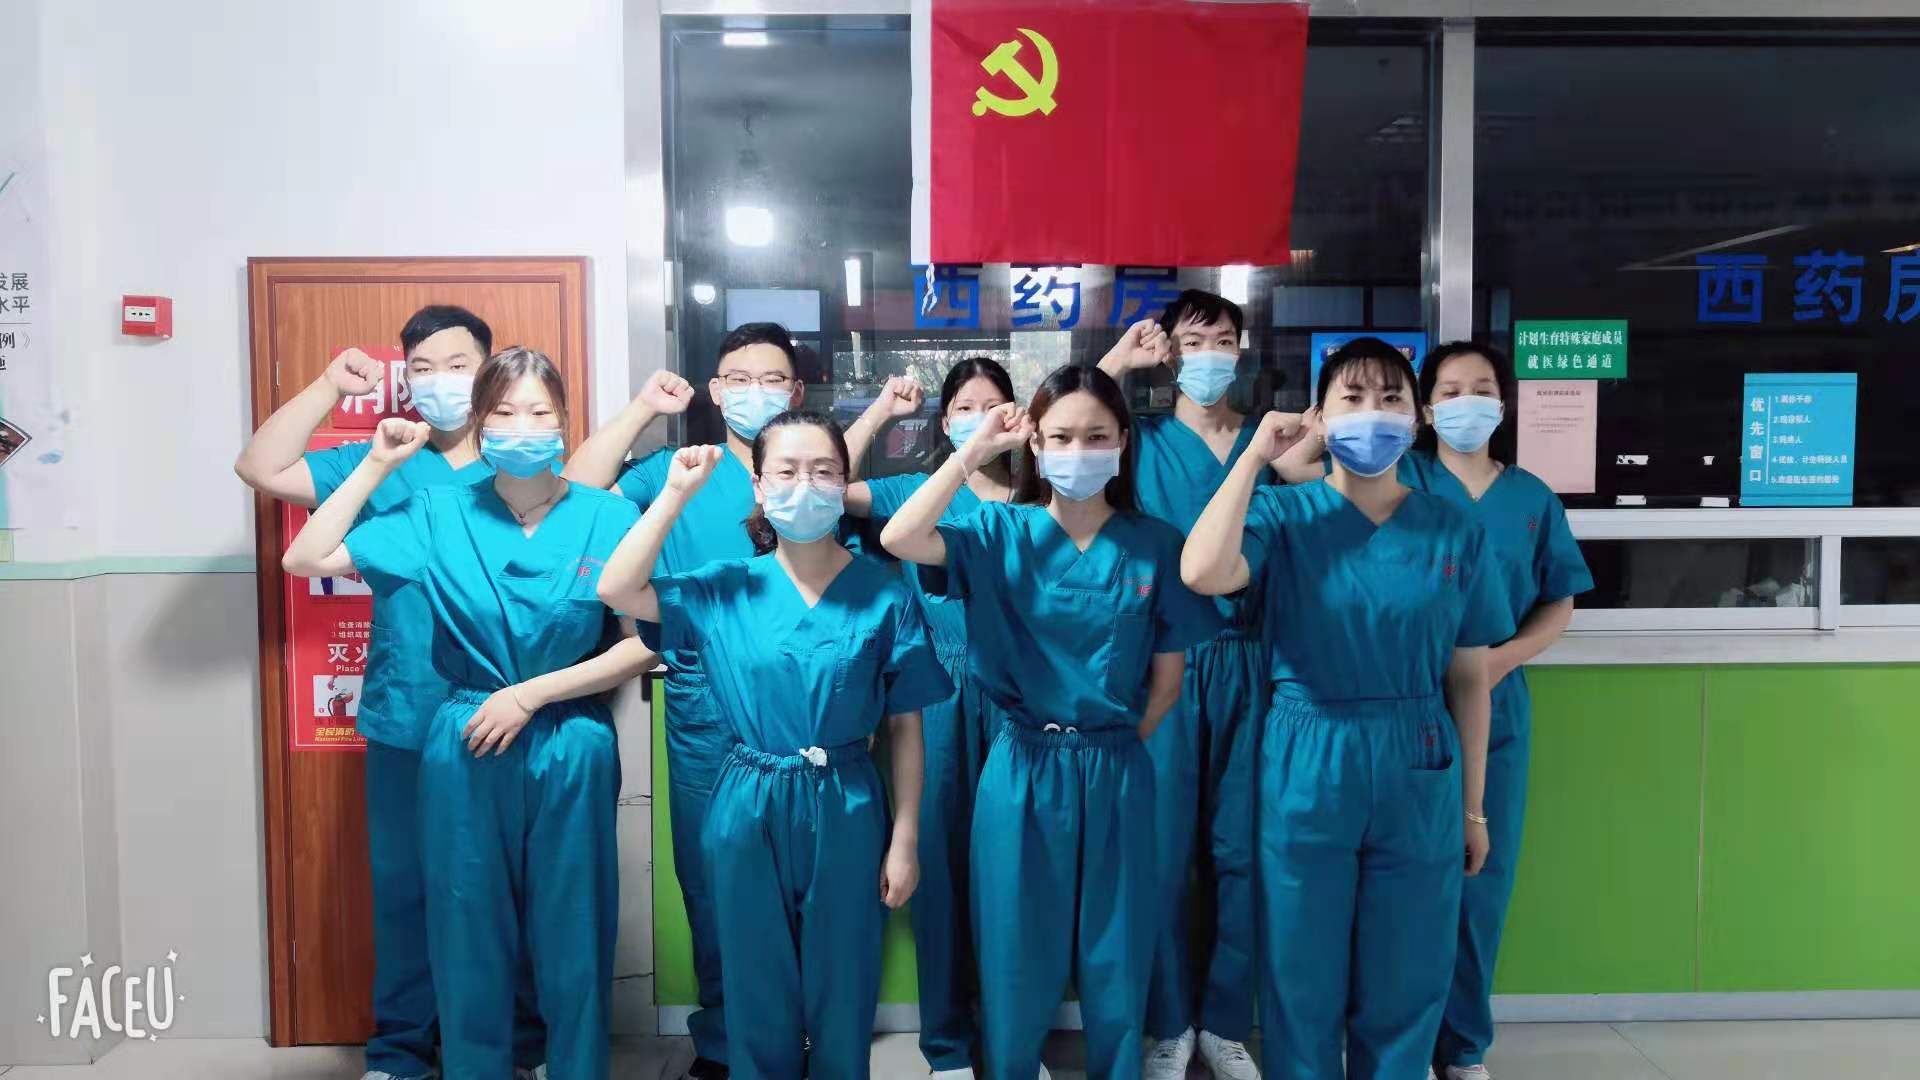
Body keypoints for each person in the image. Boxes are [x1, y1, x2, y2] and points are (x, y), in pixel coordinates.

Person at [282, 347, 655, 1079]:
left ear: (564, 420)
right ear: (481, 424)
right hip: (466, 739)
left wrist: (532, 694)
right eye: (504, 412)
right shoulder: (438, 510)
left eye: (539, 411)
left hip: (569, 738)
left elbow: (647, 642)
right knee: (466, 926)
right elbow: (306, 557)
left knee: (574, 928)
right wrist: (376, 465)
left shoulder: (609, 515)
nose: (524, 426)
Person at [562, 322, 902, 1080]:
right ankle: (730, 1041)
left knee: (828, 899)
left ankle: (818, 1042)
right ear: (715, 392)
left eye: (773, 378)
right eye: (739, 379)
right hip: (705, 704)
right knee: (719, 889)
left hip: (811, 711)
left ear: (798, 390)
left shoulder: (816, 491)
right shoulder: (682, 469)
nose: (757, 391)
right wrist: (644, 413)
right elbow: (579, 490)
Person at [1182, 338, 1513, 1080]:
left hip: (1417, 756)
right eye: (1352, 399)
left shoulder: (1453, 531)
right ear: (1321, 418)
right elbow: (1201, 571)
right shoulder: (1283, 516)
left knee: (1408, 969)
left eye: (1391, 398)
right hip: (1308, 753)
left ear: (1416, 420)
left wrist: (1473, 809)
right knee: (1300, 970)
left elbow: (1469, 678)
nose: (1374, 413)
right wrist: (1254, 459)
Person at [234, 305, 549, 1080]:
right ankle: (402, 1051)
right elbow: (262, 468)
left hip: (504, 716)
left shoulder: (524, 464)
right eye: (423, 368)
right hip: (408, 714)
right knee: (406, 890)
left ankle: (517, 1047)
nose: (441, 381)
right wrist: (327, 387)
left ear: (491, 368)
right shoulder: (384, 457)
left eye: (458, 364)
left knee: (507, 887)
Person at [882, 365, 1221, 1080]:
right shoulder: (997, 531)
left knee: (1117, 956)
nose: (1078, 451)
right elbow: (901, 535)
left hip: (1116, 766)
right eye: (1060, 436)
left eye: (1097, 436)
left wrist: (1109, 746)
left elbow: (1167, 683)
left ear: (1123, 442)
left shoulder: (1156, 544)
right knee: (1014, 955)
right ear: (1033, 443)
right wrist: (974, 452)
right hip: (1021, 766)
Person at [1099, 292, 1289, 1080]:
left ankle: (1225, 1022)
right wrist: (1120, 359)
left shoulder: (1269, 441)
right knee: (1163, 847)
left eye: (1222, 340)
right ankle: (1169, 1023)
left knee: (1245, 849)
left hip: (1253, 660)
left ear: (1242, 349)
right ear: (1170, 352)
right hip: (1168, 663)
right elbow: (1067, 419)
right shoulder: (1139, 441)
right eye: (1192, 340)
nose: (1208, 354)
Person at [1392, 343, 1591, 1080]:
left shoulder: (1531, 499)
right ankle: (1399, 1045)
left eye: (1480, 388)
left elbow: (1559, 601)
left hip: (1498, 710)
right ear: (1425, 406)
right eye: (1449, 389)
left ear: (1503, 404)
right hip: (1405, 703)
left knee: (1480, 884)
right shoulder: (1398, 479)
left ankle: (1464, 1046)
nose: (1465, 401)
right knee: (1404, 886)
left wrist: (1502, 660)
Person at [841, 357, 1016, 1079]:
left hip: (1018, 695)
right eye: (965, 407)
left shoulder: (1041, 494)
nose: (981, 417)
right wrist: (881, 412)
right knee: (938, 871)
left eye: (994, 404)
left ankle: (1012, 1042)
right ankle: (946, 1046)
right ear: (946, 423)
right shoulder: (911, 490)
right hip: (938, 693)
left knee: (1014, 871)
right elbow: (825, 481)